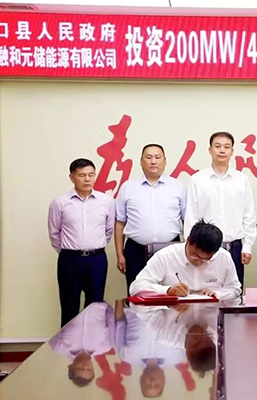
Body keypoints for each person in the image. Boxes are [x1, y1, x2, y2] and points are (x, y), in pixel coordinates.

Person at [48, 158, 115, 327]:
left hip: (97, 259)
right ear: (72, 177)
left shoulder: (106, 202)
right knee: (69, 306)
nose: (87, 179)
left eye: (91, 175)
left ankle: (92, 343)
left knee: (95, 306)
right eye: (82, 175)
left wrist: (93, 246)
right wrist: (71, 251)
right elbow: (54, 233)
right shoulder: (60, 202)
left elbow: (109, 231)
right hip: (70, 260)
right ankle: (68, 344)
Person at [184, 132, 256, 287]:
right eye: (217, 146)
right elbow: (191, 215)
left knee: (234, 291)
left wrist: (248, 245)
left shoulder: (241, 179)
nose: (222, 150)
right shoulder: (198, 179)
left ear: (232, 151)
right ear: (210, 150)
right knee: (205, 290)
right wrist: (191, 247)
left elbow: (248, 215)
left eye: (226, 147)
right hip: (205, 247)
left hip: (234, 247)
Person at [115, 144, 186, 292]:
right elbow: (120, 223)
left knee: (171, 293)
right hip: (136, 250)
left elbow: (187, 221)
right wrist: (120, 255)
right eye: (148, 157)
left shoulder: (178, 186)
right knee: (137, 293)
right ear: (141, 161)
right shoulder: (128, 187)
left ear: (165, 161)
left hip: (170, 249)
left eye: (157, 157)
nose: (153, 161)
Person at [129, 220, 241, 300]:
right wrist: (168, 291)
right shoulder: (166, 256)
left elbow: (235, 289)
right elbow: (136, 287)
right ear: (188, 241)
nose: (199, 262)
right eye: (195, 256)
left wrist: (217, 294)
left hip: (211, 316)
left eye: (206, 259)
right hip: (173, 317)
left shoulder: (223, 257)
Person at [49, 302, 115, 387]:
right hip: (97, 303)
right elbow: (111, 319)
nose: (85, 366)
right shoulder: (105, 346)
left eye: (80, 368)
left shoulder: (59, 346)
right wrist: (105, 305)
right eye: (89, 369)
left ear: (71, 367)